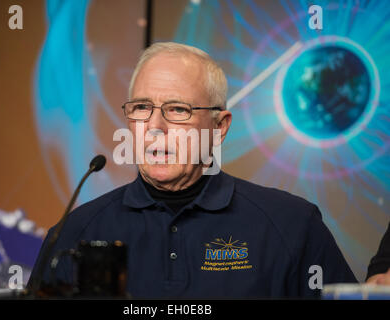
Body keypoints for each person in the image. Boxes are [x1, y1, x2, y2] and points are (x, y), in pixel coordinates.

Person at [28, 42, 357, 298]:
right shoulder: (74, 232)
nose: (155, 126)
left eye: (177, 109)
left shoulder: (294, 225)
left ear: (219, 126)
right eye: (142, 108)